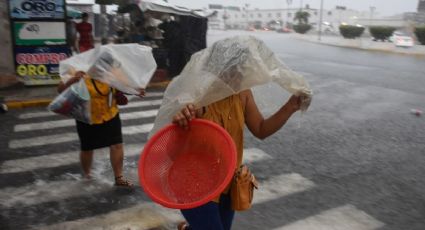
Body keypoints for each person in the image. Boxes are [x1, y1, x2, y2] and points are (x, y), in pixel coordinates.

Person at [173, 89, 303, 230]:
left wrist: (290, 107)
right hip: (195, 187)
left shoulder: (243, 93)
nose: (241, 71)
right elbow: (171, 151)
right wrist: (180, 120)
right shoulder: (196, 93)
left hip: (227, 185)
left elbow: (260, 128)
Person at [57, 70, 144, 188]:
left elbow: (123, 85)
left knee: (117, 144)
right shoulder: (76, 69)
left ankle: (119, 178)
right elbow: (60, 89)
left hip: (110, 113)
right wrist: (73, 80)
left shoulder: (111, 69)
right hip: (87, 116)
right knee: (87, 148)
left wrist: (136, 90)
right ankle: (87, 175)